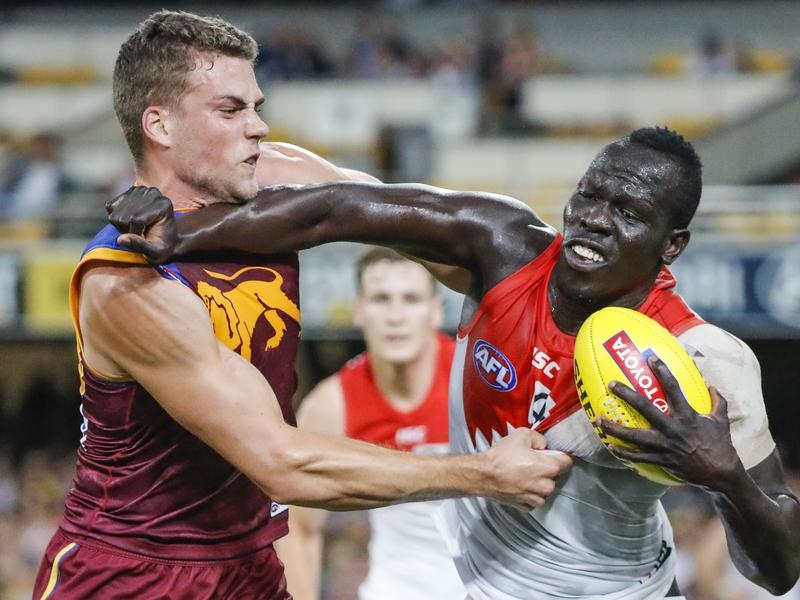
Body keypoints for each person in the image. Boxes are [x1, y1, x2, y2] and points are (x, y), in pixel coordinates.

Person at [110, 124, 800, 600]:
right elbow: (338, 209)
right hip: (460, 581)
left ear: (672, 244)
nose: (593, 218)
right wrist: (184, 232)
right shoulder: (502, 246)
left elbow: (780, 570)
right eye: (590, 194)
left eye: (627, 212)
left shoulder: (705, 362)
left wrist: (725, 480)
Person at [32, 11, 572, 600]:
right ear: (159, 124)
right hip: (134, 572)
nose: (258, 127)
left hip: (249, 563)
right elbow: (282, 463)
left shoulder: (275, 178)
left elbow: (433, 236)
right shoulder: (124, 281)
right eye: (230, 111)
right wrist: (485, 474)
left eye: (256, 106)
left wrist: (554, 291)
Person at [275, 247, 466, 600]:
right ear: (359, 311)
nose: (396, 316)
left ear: (436, 311)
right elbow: (299, 528)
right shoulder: (332, 406)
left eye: (411, 299)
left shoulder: (472, 384)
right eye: (381, 299)